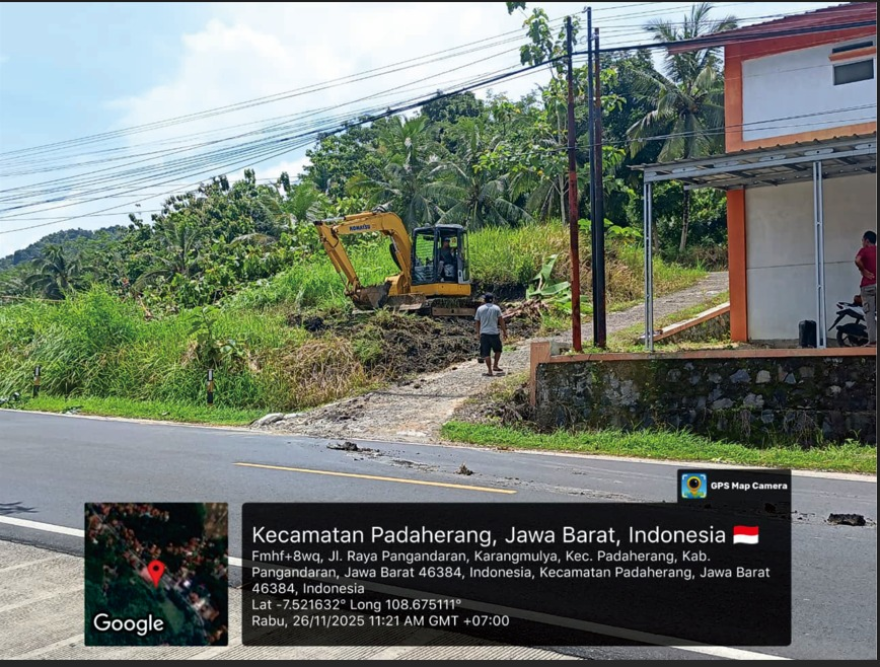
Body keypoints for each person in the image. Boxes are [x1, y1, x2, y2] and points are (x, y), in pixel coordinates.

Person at [474, 293, 507, 376]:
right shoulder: (496, 308)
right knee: (498, 350)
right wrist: (504, 331)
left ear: (484, 300)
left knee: (486, 353)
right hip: (494, 333)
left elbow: (477, 322)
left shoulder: (480, 309)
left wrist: (478, 333)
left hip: (484, 334)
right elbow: (501, 320)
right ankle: (495, 365)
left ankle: (489, 370)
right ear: (493, 299)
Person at [855, 230, 876, 347]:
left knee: (870, 313)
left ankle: (873, 341)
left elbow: (857, 260)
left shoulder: (865, 250)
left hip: (868, 286)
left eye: (863, 240)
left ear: (867, 241)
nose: (862, 243)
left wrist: (863, 270)